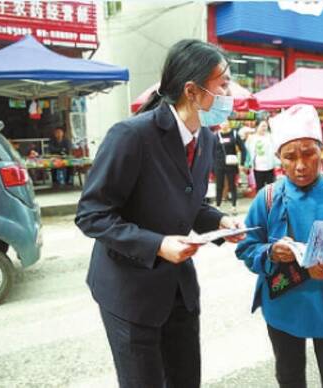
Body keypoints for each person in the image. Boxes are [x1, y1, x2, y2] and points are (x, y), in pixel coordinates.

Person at [75, 39, 245, 388]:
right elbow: (92, 214)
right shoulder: (132, 136)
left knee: (185, 379)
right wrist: (157, 245)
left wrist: (220, 221)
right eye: (223, 83)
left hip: (179, 290)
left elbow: (188, 202)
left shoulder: (208, 139)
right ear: (192, 91)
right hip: (130, 291)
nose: (230, 92)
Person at [236, 104, 323, 388]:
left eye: (308, 153)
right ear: (279, 159)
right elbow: (248, 247)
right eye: (290, 156)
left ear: (321, 151)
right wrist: (270, 252)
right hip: (284, 305)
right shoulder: (268, 197)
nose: (300, 165)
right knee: (289, 378)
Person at [213, 120, 247, 213]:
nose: (224, 124)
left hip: (231, 163)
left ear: (229, 124)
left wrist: (242, 163)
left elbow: (243, 149)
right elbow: (212, 151)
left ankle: (234, 206)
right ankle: (218, 205)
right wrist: (211, 166)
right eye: (222, 122)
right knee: (219, 185)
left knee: (232, 185)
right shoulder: (215, 135)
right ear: (219, 124)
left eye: (226, 122)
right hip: (218, 164)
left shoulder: (234, 134)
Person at [245, 119, 276, 190]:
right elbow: (248, 153)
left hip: (270, 166)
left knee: (270, 188)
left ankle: (270, 201)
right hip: (258, 167)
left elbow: (275, 150)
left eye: (266, 126)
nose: (264, 128)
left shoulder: (271, 137)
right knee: (260, 187)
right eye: (262, 126)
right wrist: (247, 164)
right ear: (257, 127)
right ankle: (261, 201)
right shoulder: (251, 138)